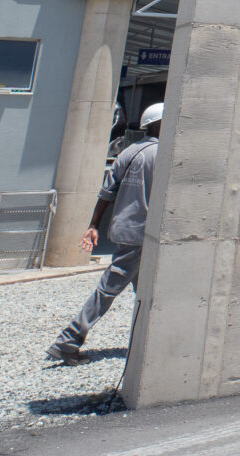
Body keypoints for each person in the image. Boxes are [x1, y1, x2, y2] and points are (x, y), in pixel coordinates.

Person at [47, 102, 161, 364]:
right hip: (141, 233)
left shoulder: (128, 152)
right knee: (108, 290)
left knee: (148, 289)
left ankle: (151, 342)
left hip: (123, 228)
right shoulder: (160, 155)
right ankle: (68, 340)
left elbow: (106, 193)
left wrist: (93, 225)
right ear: (160, 124)